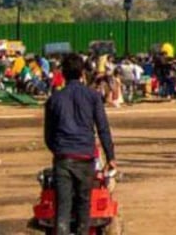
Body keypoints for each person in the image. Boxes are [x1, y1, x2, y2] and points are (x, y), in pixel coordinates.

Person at [43, 53, 116, 235]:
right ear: (82, 73)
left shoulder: (54, 99)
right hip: (85, 157)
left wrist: (59, 150)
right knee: (84, 205)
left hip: (63, 159)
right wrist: (111, 157)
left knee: (63, 208)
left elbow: (48, 135)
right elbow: (103, 128)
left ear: (63, 74)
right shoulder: (92, 96)